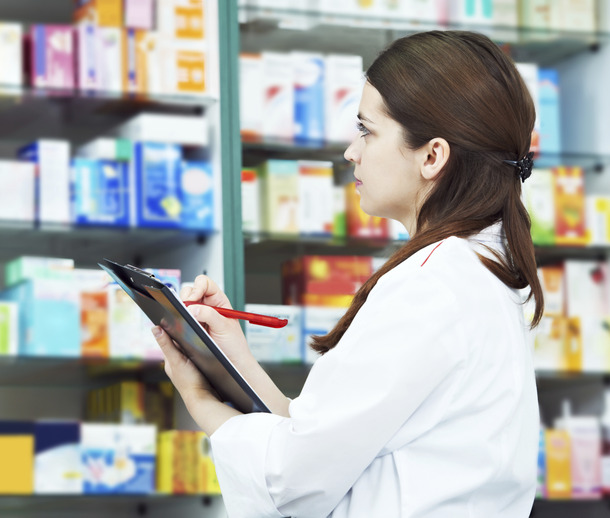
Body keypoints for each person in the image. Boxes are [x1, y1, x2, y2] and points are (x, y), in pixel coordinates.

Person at [151, 30, 543, 518]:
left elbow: (292, 480)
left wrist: (198, 398)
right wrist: (237, 358)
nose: (351, 152)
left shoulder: (429, 285)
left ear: (432, 156)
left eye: (367, 130)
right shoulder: (477, 269)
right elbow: (327, 438)